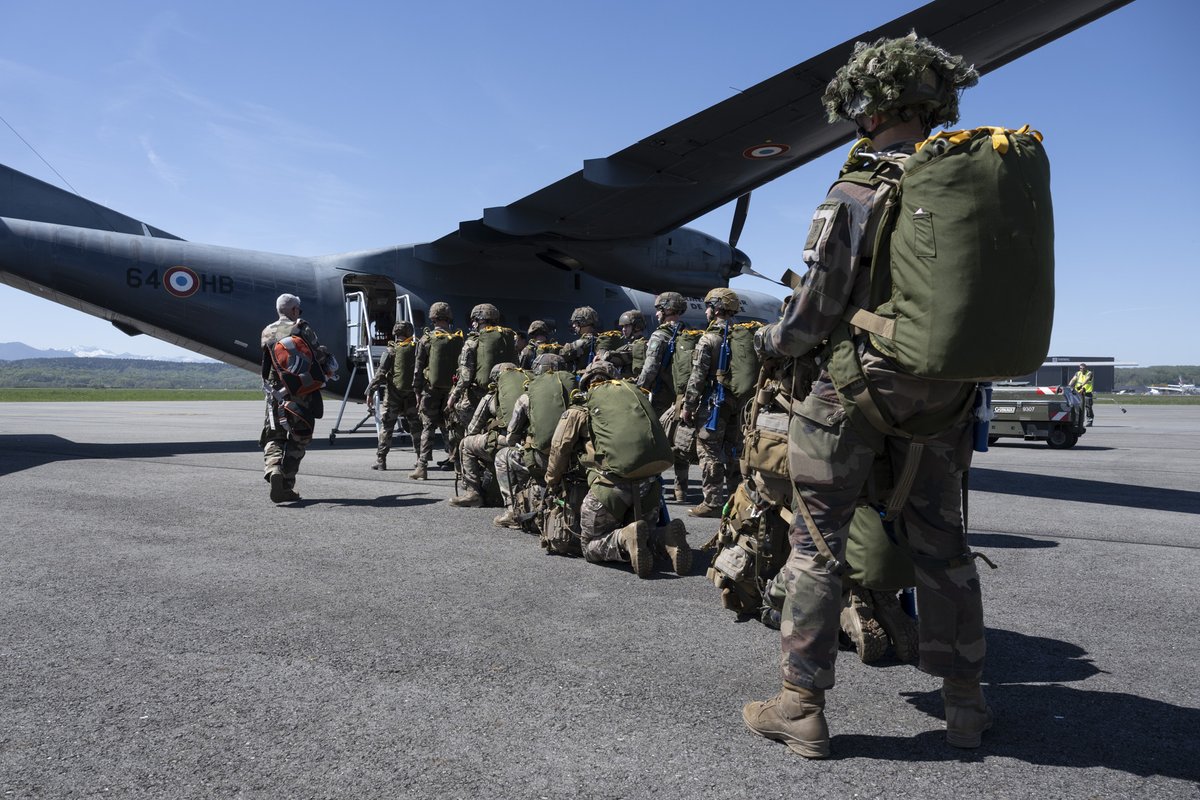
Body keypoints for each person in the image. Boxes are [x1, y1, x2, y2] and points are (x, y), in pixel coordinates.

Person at [741, 34, 990, 758]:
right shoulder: (967, 188)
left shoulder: (858, 188)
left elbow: (812, 315)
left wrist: (770, 343)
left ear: (868, 107)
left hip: (853, 392)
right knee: (945, 550)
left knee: (817, 544)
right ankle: (966, 707)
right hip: (941, 399)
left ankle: (801, 707)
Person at [545, 361, 692, 579]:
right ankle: (665, 537)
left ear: (586, 383)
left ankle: (625, 537)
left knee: (591, 545)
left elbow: (559, 448)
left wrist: (551, 480)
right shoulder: (636, 400)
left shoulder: (581, 408)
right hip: (649, 488)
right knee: (646, 533)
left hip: (609, 490)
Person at [260, 293, 335, 503]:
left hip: (275, 391)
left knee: (275, 435)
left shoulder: (267, 331)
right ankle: (286, 482)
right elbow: (317, 355)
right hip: (301, 391)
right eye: (298, 310)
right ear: (293, 310)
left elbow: (267, 364)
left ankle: (273, 468)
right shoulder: (301, 327)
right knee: (299, 436)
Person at [680, 287, 745, 518]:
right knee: (735, 452)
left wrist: (688, 406)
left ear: (716, 308)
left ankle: (712, 502)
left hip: (713, 404)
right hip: (738, 404)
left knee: (709, 451)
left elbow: (697, 376)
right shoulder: (741, 336)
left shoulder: (708, 339)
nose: (706, 311)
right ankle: (737, 501)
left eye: (709, 306)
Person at [636, 291, 693, 503]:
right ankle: (681, 489)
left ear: (667, 310)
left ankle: (655, 486)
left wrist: (639, 389)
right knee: (680, 443)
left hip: (660, 397)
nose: (657, 313)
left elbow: (650, 368)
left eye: (659, 309)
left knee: (656, 443)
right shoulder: (688, 334)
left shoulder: (659, 335)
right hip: (681, 397)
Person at [449, 361, 520, 508]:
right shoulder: (529, 390)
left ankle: (473, 493)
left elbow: (473, 428)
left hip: (504, 441)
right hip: (526, 442)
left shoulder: (492, 396)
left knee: (466, 444)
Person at [410, 302, 459, 480]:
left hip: (430, 391)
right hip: (451, 392)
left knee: (428, 427)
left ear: (432, 318)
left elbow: (418, 367)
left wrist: (416, 391)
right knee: (450, 427)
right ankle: (457, 466)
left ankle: (422, 467)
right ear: (448, 317)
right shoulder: (457, 339)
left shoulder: (426, 339)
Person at [365, 321, 421, 471]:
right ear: (409, 332)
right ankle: (420, 460)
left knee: (387, 428)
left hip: (393, 395)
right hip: (411, 396)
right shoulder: (416, 349)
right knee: (416, 427)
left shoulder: (391, 350)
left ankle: (381, 460)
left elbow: (381, 373)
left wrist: (370, 391)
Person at [595, 309, 647, 378]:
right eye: (622, 326)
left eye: (627, 326)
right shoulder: (628, 345)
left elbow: (617, 357)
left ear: (637, 326)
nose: (623, 329)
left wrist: (601, 355)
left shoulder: (640, 345)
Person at [559, 306, 600, 372]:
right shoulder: (600, 339)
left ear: (582, 322)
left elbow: (563, 355)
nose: (573, 326)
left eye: (575, 322)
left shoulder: (580, 343)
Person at [1069, 363, 1095, 427]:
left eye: (1083, 368)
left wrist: (1081, 386)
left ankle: (1090, 421)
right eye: (1081, 368)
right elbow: (1073, 380)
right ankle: (1077, 421)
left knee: (1088, 407)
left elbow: (1087, 379)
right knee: (1076, 407)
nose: (1082, 369)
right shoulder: (1078, 373)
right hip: (1078, 393)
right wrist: (1069, 386)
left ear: (1086, 368)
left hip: (1087, 393)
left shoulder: (1089, 373)